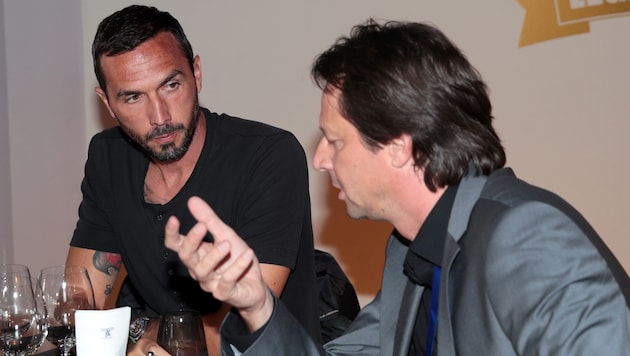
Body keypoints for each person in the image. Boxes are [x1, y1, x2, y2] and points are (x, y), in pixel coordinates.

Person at [164, 19, 630, 355]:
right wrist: (257, 303)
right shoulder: (411, 252)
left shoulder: (523, 236)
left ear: (398, 148)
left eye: (334, 141)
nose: (320, 159)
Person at [65, 4, 320, 355]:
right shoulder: (109, 157)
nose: (160, 116)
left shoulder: (269, 156)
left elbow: (241, 331)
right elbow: (80, 309)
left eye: (170, 85)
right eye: (133, 97)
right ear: (107, 103)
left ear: (196, 73)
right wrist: (140, 333)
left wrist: (140, 331)